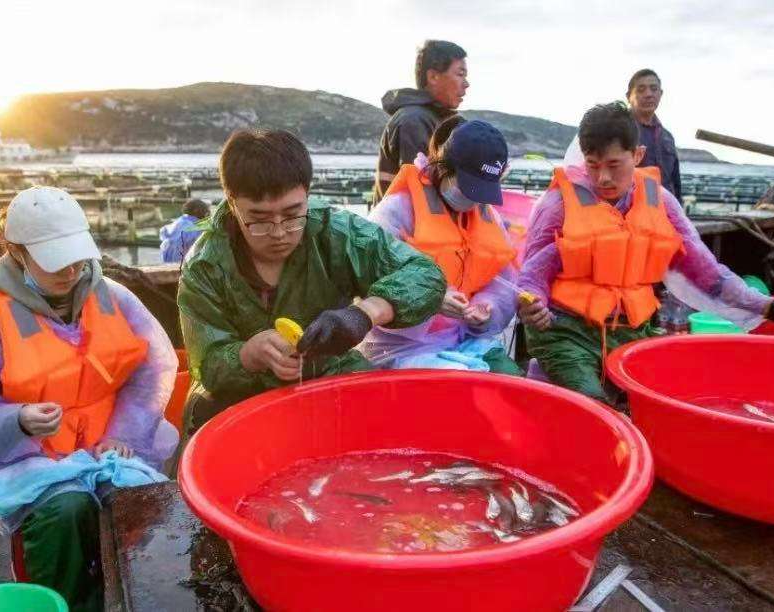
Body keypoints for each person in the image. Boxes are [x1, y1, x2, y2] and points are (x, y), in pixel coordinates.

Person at [0, 186, 179, 610]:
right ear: (17, 253)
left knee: (138, 502)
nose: (71, 270)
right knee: (67, 509)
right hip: (32, 460)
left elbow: (154, 370)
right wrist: (17, 419)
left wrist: (125, 433)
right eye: (55, 260)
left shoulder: (117, 298)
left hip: (112, 444)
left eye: (77, 256)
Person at [517, 102, 774, 404]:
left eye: (614, 165)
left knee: (660, 399)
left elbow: (707, 272)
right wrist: (531, 304)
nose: (603, 177)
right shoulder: (558, 205)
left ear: (637, 155)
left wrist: (769, 308)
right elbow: (532, 276)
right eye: (592, 164)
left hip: (631, 329)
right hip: (566, 331)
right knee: (592, 402)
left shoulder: (661, 202)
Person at [177, 128, 446, 436]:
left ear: (307, 193)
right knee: (209, 434)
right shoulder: (203, 266)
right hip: (238, 394)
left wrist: (366, 312)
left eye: (293, 214)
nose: (279, 233)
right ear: (231, 201)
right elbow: (206, 367)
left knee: (397, 430)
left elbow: (427, 275)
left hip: (330, 371)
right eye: (260, 219)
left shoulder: (338, 232)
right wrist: (248, 354)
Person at [362, 118, 522, 375]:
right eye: (468, 188)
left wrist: (487, 306)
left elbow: (503, 277)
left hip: (464, 340)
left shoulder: (485, 213)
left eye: (481, 192)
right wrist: (432, 300)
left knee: (513, 382)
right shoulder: (398, 210)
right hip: (399, 347)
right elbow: (366, 278)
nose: (473, 199)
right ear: (443, 166)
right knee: (461, 390)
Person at [374, 40, 468, 202]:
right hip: (405, 226)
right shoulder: (413, 121)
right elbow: (421, 193)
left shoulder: (439, 120)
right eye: (460, 74)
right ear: (433, 76)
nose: (466, 84)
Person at [627, 68, 682, 199]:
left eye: (654, 89)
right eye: (641, 89)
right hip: (630, 210)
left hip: (665, 211)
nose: (649, 94)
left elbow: (675, 182)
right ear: (629, 96)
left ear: (661, 93)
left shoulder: (667, 137)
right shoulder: (617, 131)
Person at [159, 198, 210, 263]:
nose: (207, 212)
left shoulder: (177, 222)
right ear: (196, 210)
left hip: (167, 262)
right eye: (205, 210)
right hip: (182, 263)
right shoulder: (196, 227)